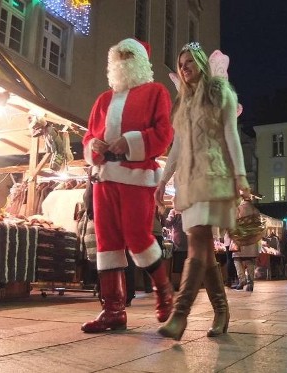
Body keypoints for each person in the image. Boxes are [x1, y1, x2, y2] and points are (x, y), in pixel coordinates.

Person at [154, 42, 250, 340]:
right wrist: (162, 180)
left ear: (200, 62)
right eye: (180, 64)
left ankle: (179, 315)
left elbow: (231, 135)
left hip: (215, 175)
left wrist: (241, 176)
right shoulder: (182, 103)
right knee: (205, 252)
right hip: (189, 181)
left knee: (197, 242)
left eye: (189, 62)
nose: (184, 68)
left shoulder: (219, 91)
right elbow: (178, 146)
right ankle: (221, 311)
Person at [80, 38, 174, 333]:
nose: (122, 61)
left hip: (136, 178)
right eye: (117, 57)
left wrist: (130, 142)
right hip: (103, 178)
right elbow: (88, 137)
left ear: (141, 61)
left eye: (128, 55)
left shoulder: (156, 92)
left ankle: (164, 290)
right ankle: (113, 310)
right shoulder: (103, 100)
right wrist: (93, 145)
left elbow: (163, 133)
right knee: (107, 244)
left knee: (137, 236)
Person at [231, 198, 260, 291]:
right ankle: (250, 283)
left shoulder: (238, 208)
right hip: (251, 241)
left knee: (237, 259)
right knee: (250, 261)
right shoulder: (256, 210)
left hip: (240, 239)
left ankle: (242, 279)